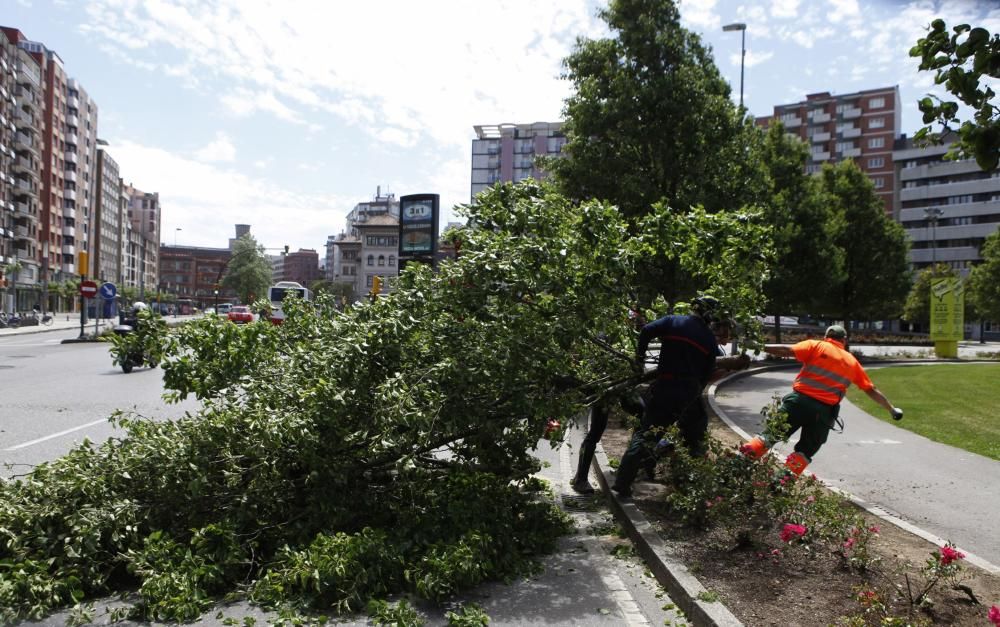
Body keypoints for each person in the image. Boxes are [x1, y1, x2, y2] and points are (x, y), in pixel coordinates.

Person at [611, 296, 749, 498]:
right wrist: (694, 392)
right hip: (688, 393)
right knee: (695, 432)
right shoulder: (709, 340)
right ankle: (690, 479)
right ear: (709, 315)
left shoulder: (672, 321)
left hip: (666, 387)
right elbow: (707, 372)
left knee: (647, 434)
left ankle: (624, 483)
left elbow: (646, 330)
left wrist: (638, 360)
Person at [741, 324, 904, 476]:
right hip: (823, 414)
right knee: (805, 452)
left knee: (769, 436)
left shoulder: (816, 345)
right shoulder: (852, 362)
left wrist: (757, 345)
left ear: (826, 336)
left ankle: (737, 466)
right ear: (844, 340)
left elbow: (785, 350)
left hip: (798, 403)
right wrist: (891, 409)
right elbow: (871, 389)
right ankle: (778, 485)